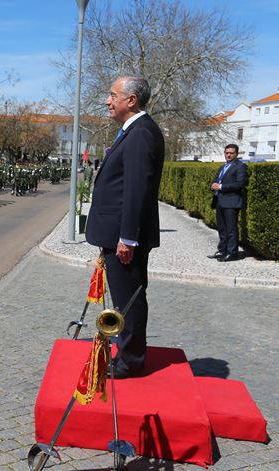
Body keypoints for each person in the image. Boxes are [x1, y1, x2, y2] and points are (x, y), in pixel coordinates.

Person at [85, 76, 165, 379]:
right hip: (116, 232)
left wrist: (128, 237)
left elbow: (136, 190)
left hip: (124, 236)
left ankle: (130, 361)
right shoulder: (132, 131)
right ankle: (128, 352)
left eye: (112, 95)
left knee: (129, 298)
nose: (107, 101)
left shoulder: (141, 133)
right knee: (123, 297)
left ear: (130, 100)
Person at [208, 144, 248, 262]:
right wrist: (213, 185)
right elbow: (217, 181)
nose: (228, 155)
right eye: (227, 153)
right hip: (220, 201)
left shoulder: (240, 167)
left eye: (231, 153)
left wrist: (221, 186)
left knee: (231, 229)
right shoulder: (222, 167)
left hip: (231, 202)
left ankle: (232, 253)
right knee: (221, 229)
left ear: (236, 154)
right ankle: (222, 250)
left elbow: (240, 184)